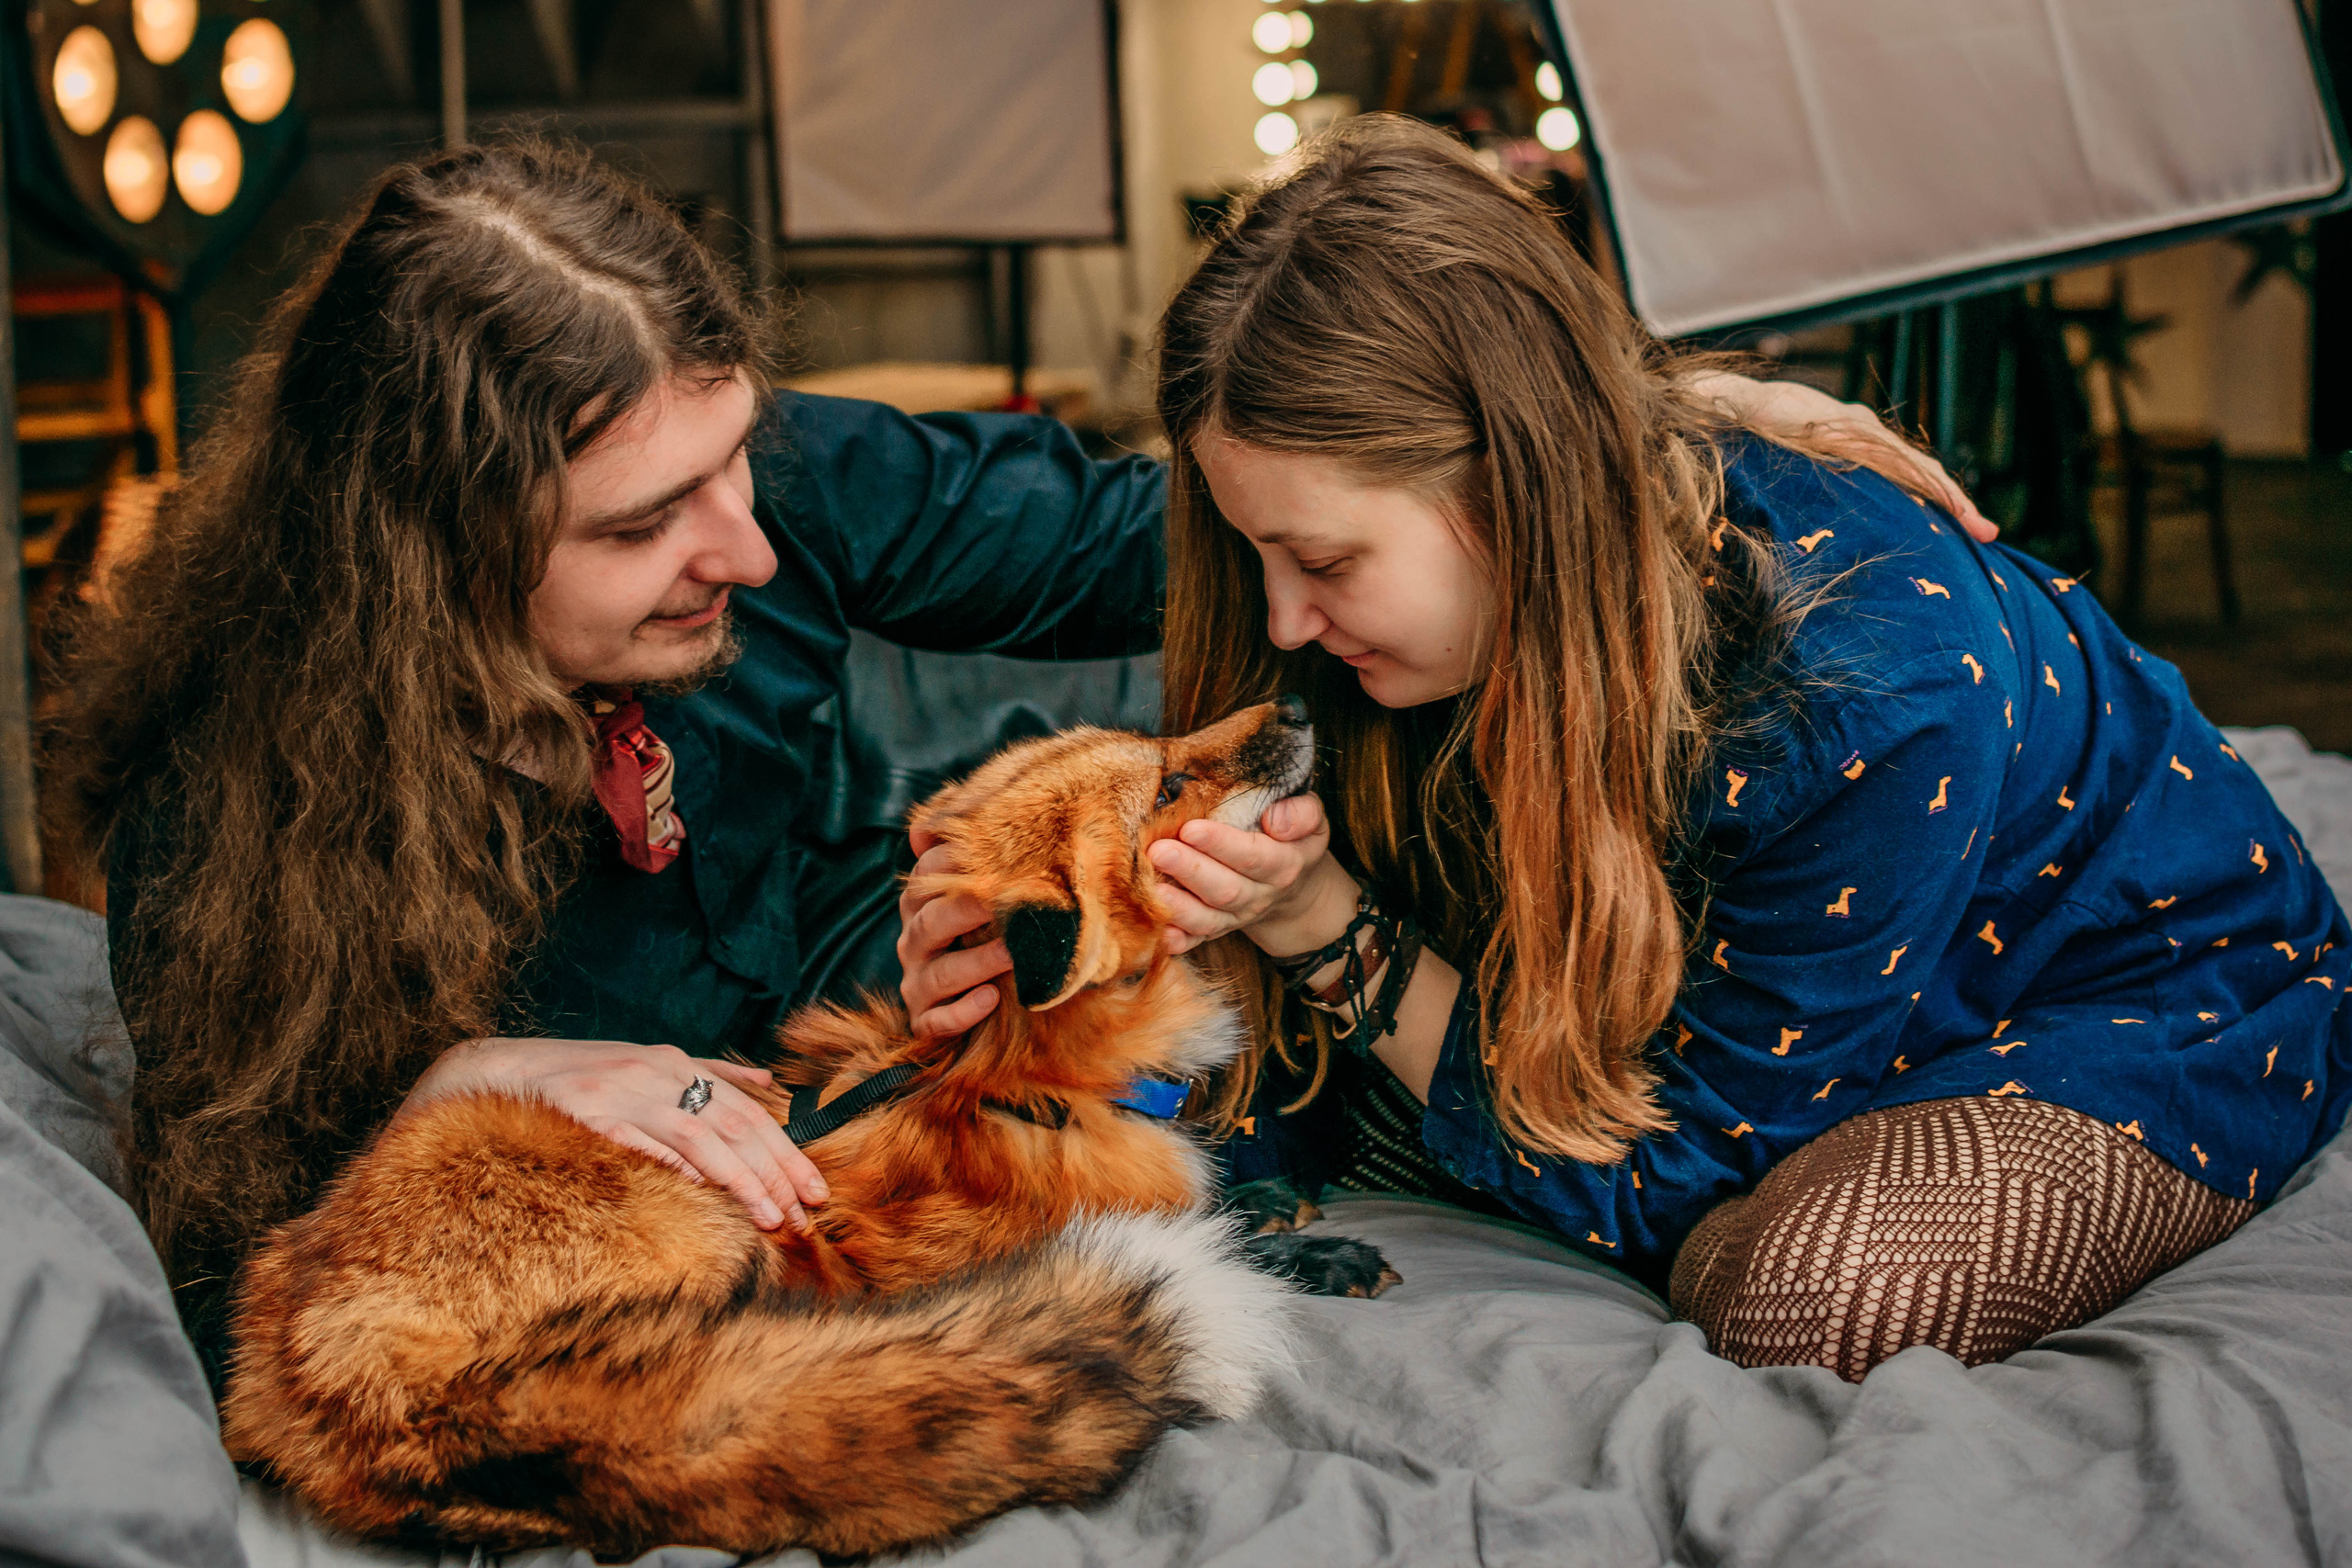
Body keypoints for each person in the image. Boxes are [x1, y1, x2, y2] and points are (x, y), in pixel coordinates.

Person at [54, 138, 1984, 1394]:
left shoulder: (762, 487)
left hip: (878, 1036)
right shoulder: (235, 799)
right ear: (435, 550)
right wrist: (474, 1067)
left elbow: (1168, 524)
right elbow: (243, 1201)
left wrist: (1602, 416)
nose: (739, 543)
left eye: (737, 462)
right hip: (645, 1207)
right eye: (647, 522)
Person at [908, 118, 2352, 1380]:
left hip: (2116, 993)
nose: (1283, 622)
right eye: (1257, 555)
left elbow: (1667, 1178)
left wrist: (1324, 928)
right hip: (1703, 992)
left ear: (1522, 485)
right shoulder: (1431, 595)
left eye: (1325, 562)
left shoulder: (1875, 689)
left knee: (1812, 1294)